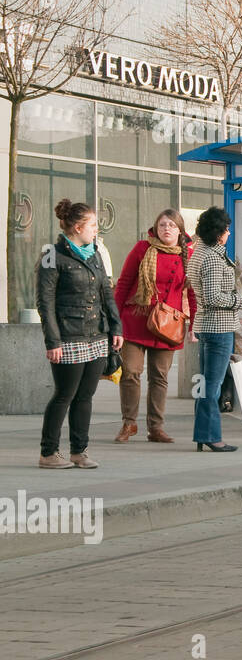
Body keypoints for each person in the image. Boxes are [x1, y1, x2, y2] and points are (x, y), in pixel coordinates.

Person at [36, 199, 124, 469]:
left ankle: (79, 451)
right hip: (68, 337)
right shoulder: (52, 254)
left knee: (86, 395)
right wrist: (53, 341)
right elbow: (45, 302)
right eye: (93, 225)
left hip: (96, 335)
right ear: (77, 227)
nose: (97, 230)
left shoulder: (94, 252)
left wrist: (115, 327)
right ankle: (48, 453)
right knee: (65, 394)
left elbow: (106, 292)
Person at [112, 209, 197, 445]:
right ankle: (129, 423)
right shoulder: (142, 249)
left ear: (180, 230)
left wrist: (194, 325)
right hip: (135, 319)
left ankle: (156, 427)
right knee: (130, 372)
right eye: (162, 225)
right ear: (155, 228)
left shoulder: (188, 255)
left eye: (171, 225)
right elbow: (123, 285)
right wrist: (115, 322)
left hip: (168, 325)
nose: (166, 229)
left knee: (159, 377)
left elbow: (192, 293)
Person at [187, 206, 242, 452]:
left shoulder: (199, 252)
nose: (229, 233)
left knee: (204, 384)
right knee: (211, 386)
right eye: (227, 229)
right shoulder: (212, 257)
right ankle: (212, 436)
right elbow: (213, 296)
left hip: (205, 325)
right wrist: (238, 301)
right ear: (219, 232)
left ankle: (204, 434)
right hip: (218, 326)